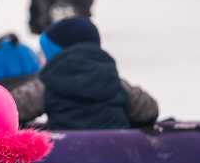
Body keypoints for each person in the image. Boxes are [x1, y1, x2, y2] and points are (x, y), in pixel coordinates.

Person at [10, 17, 159, 130]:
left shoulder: (48, 84)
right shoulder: (115, 82)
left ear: (56, 55)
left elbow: (11, 109)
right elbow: (149, 111)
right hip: (116, 153)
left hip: (65, 154)